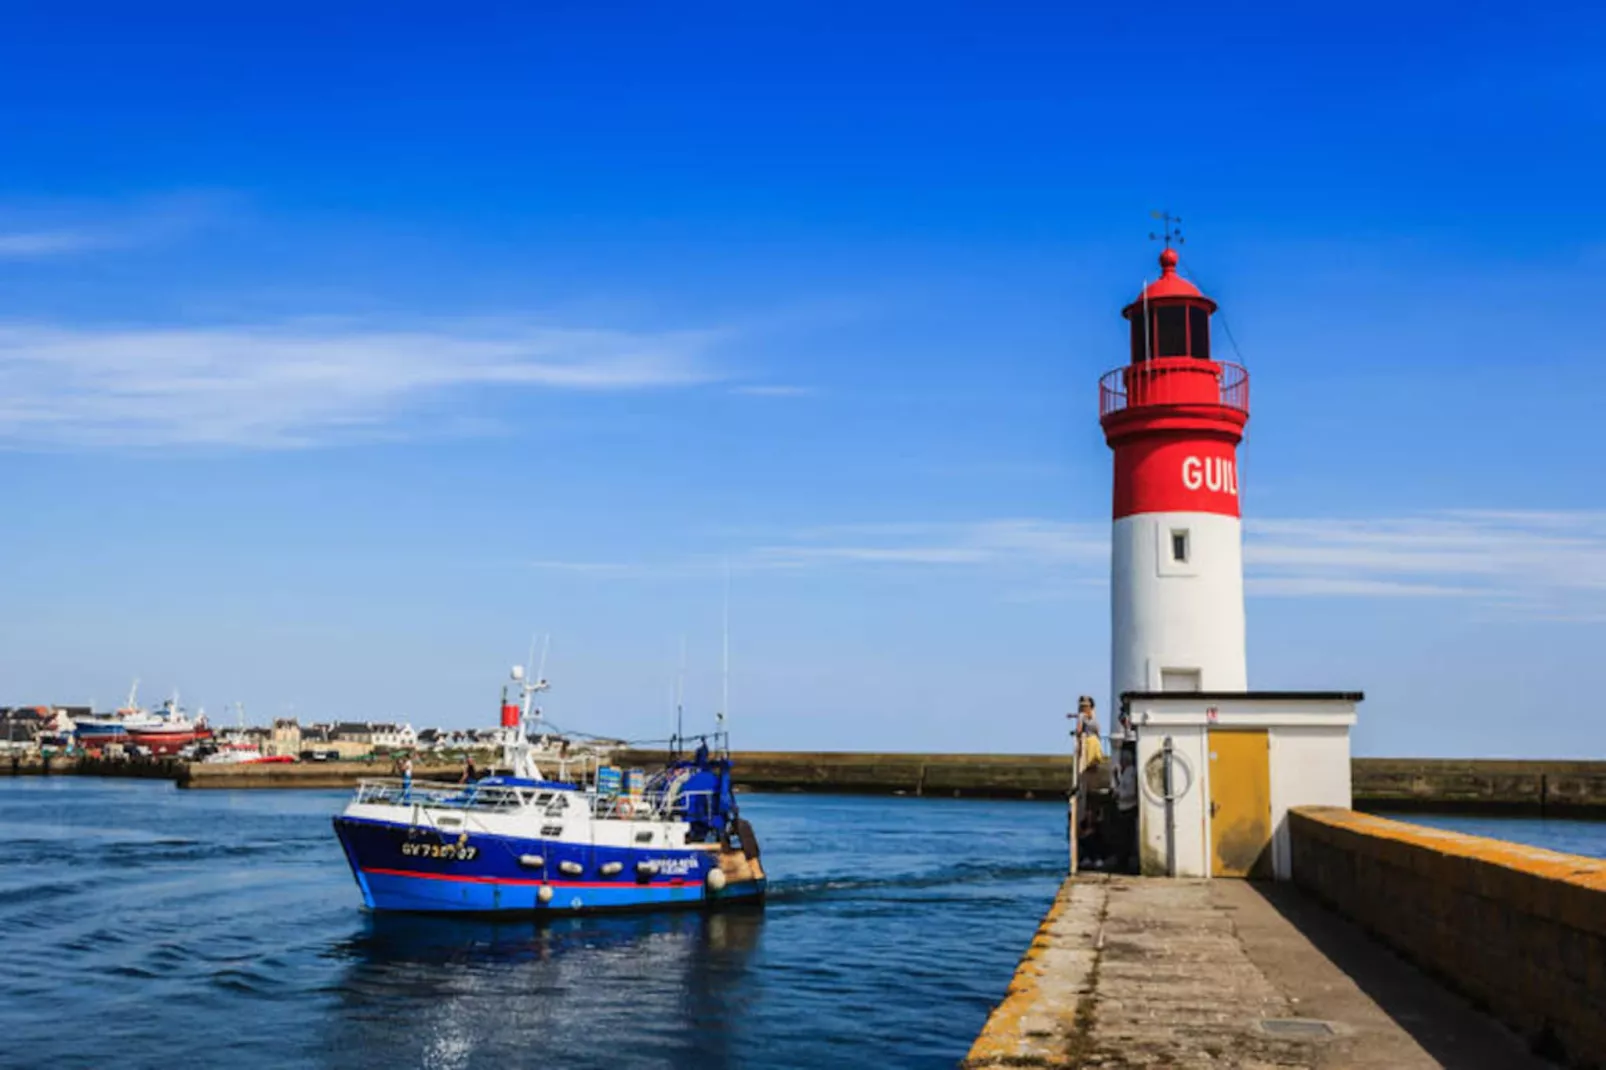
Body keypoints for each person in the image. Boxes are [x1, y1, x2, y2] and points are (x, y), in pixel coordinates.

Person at [1113, 746, 1139, 873]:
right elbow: (1121, 787)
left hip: (1128, 808)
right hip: (1122, 807)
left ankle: (1124, 862)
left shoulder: (1131, 772)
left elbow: (1131, 791)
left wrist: (1119, 794)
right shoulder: (1124, 772)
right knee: (1122, 837)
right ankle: (1122, 860)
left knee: (1126, 837)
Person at [1072, 696, 1105, 771]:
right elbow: (1079, 729)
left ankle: (1092, 765)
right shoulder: (1082, 716)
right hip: (1088, 741)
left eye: (1087, 706)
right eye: (1083, 706)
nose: (1085, 708)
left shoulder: (1092, 715)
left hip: (1094, 740)